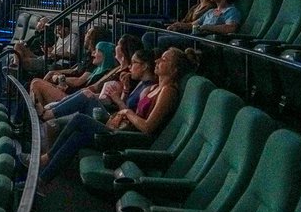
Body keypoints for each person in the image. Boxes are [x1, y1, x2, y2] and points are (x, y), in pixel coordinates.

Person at [35, 47, 199, 192]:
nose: (157, 60)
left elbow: (148, 127)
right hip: (122, 130)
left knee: (80, 119)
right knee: (78, 137)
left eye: (164, 59)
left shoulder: (168, 91)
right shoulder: (157, 87)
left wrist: (126, 113)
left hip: (129, 139)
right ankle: (43, 180)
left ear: (175, 70)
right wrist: (122, 110)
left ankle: (46, 158)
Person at [41, 48, 157, 150]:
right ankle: (50, 112)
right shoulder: (140, 83)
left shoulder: (148, 89)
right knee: (85, 95)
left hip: (118, 127)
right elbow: (125, 107)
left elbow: (129, 115)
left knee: (83, 99)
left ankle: (48, 113)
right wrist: (126, 90)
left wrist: (117, 100)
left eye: (134, 63)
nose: (130, 67)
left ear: (145, 66)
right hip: (115, 118)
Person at [37, 34, 142, 120]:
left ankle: (46, 114)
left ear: (123, 50)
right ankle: (46, 112)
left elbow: (112, 98)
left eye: (118, 44)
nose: (116, 46)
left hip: (101, 107)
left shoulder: (127, 74)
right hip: (81, 97)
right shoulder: (116, 69)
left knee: (37, 83)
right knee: (36, 84)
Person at [29, 40, 117, 109]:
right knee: (34, 81)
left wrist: (61, 82)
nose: (93, 53)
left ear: (105, 55)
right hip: (72, 95)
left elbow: (87, 90)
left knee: (37, 83)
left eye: (97, 51)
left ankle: (35, 122)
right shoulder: (97, 70)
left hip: (74, 100)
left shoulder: (105, 74)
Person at [143, 0, 214, 49]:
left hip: (188, 32)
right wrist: (174, 26)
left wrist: (179, 26)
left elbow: (195, 25)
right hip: (181, 29)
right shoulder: (195, 7)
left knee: (157, 39)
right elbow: (184, 20)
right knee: (153, 26)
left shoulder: (210, 8)